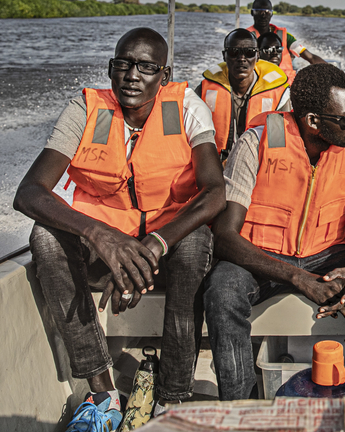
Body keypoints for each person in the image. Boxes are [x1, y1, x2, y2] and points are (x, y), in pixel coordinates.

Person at [14, 28, 227, 427]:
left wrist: (151, 247)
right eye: (123, 64)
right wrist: (101, 237)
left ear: (164, 74)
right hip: (103, 245)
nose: (132, 75)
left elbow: (214, 192)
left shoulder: (186, 106)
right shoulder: (85, 109)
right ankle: (102, 392)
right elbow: (29, 192)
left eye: (146, 67)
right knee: (44, 237)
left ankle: (173, 399)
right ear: (111, 69)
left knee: (198, 242)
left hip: (165, 246)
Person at [203, 63, 345, 404]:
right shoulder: (257, 141)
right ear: (313, 122)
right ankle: (242, 410)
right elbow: (225, 236)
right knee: (222, 291)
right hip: (263, 257)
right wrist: (299, 279)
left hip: (328, 253)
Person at [198, 29, 290, 164]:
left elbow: (279, 142)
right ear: (224, 56)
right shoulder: (204, 90)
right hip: (215, 163)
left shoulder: (278, 94)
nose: (241, 59)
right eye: (234, 52)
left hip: (258, 163)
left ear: (258, 56)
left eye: (249, 53)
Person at [247, 0, 326, 72]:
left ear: (272, 14)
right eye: (259, 12)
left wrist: (332, 72)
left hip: (287, 83)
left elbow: (310, 57)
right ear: (252, 13)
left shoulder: (285, 37)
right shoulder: (245, 37)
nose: (263, 15)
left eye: (267, 12)